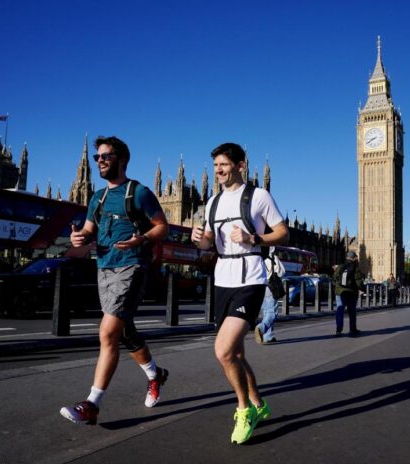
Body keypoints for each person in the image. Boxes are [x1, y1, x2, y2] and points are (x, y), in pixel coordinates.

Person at [60, 136, 170, 425]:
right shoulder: (97, 197)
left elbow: (162, 226)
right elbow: (87, 232)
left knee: (107, 333)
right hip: (104, 268)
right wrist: (78, 238)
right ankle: (155, 374)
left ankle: (92, 404)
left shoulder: (139, 192)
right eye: (97, 157)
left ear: (122, 159)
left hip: (132, 266)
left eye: (106, 156)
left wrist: (142, 239)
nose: (100, 161)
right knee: (124, 333)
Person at [191, 142, 289, 444]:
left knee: (222, 350)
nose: (219, 170)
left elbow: (283, 233)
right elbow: (209, 243)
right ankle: (260, 404)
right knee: (235, 353)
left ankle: (244, 409)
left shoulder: (259, 196)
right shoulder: (213, 203)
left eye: (224, 164)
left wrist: (253, 237)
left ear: (241, 166)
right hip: (223, 280)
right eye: (216, 165)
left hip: (251, 279)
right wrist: (199, 240)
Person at [255, 247, 285, 345]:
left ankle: (268, 336)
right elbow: (282, 272)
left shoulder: (259, 257)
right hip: (271, 287)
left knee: (266, 311)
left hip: (261, 286)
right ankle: (261, 328)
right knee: (272, 312)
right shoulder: (273, 257)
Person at [333, 251, 364, 336]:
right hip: (351, 293)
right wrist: (362, 289)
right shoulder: (356, 268)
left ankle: (338, 330)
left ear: (347, 257)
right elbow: (359, 283)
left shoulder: (340, 267)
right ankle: (352, 329)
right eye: (355, 258)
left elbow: (335, 277)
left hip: (340, 292)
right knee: (352, 312)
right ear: (353, 258)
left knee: (340, 310)